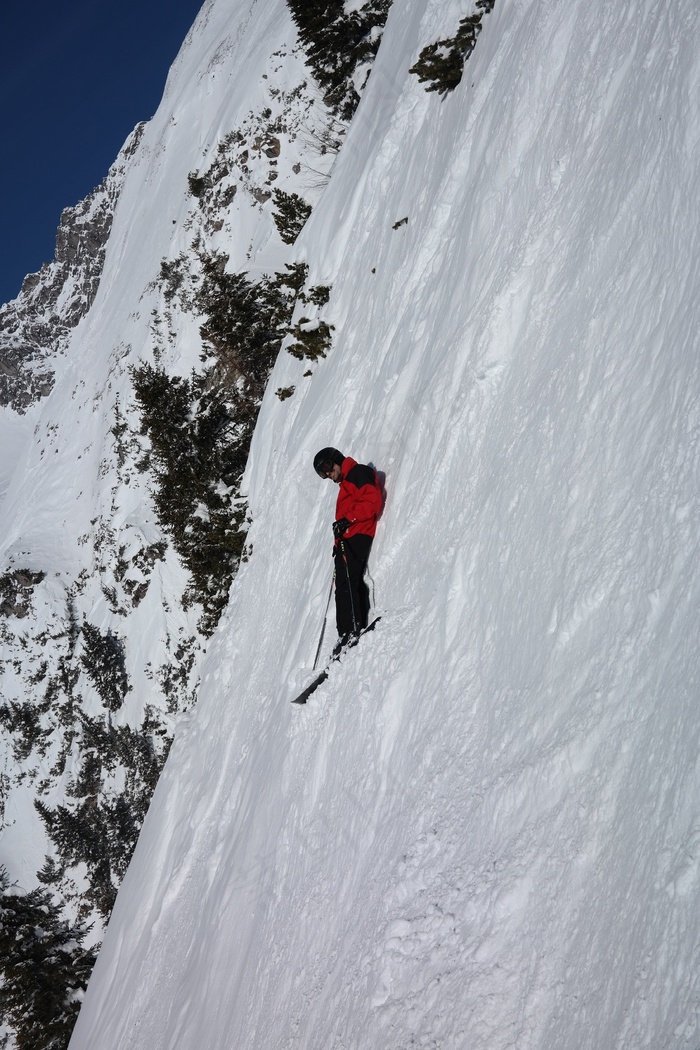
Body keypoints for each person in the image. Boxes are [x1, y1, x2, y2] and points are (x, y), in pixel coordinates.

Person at [313, 447, 382, 650]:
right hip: (347, 538)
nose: (327, 473)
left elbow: (372, 501)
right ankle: (345, 634)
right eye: (322, 473)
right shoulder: (346, 484)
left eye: (326, 466)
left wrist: (346, 520)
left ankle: (350, 632)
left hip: (357, 534)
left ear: (336, 458)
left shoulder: (357, 473)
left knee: (346, 583)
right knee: (343, 585)